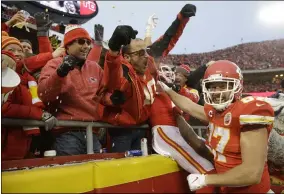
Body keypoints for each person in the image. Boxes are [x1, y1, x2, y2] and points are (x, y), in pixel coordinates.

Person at [158, 60, 274, 193]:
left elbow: (252, 173)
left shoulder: (248, 112)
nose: (216, 92)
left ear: (236, 86)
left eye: (222, 86)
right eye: (212, 87)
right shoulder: (215, 112)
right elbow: (189, 106)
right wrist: (166, 90)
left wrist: (206, 180)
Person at [97, 4, 197, 153]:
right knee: (122, 169)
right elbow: (112, 76)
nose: (146, 57)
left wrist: (181, 19)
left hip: (143, 128)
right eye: (140, 53)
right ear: (127, 57)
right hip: (122, 131)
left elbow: (168, 39)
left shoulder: (148, 63)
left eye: (145, 52)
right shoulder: (124, 70)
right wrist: (113, 48)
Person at [38, 25, 103, 156]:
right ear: (67, 45)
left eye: (88, 42)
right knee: (71, 173)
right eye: (81, 42)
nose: (86, 46)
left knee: (97, 173)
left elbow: (104, 94)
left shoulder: (95, 67)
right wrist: (60, 73)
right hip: (66, 133)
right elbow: (44, 94)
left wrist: (113, 98)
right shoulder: (54, 64)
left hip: (92, 132)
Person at [1, 34, 56, 160]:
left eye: (20, 50)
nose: (18, 53)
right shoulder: (3, 75)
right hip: (7, 138)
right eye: (11, 50)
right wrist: (38, 114)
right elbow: (4, 107)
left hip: (26, 137)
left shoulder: (29, 78)